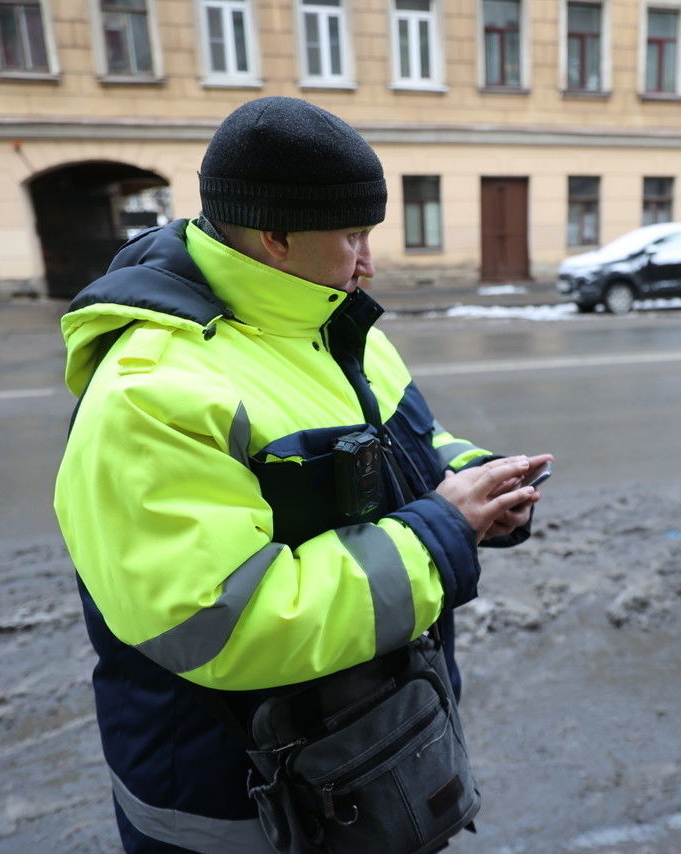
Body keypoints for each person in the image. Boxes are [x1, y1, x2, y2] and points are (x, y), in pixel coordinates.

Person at [54, 96, 550, 852]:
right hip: (238, 813)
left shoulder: (332, 325)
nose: (368, 261)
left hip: (365, 766)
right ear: (275, 237)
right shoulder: (151, 391)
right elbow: (228, 624)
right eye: (352, 235)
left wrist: (480, 483)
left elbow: (413, 448)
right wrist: (442, 532)